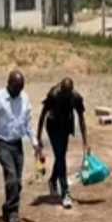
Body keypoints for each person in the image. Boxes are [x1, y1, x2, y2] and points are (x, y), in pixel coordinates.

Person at [0, 70, 42, 222]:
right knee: (11, 176)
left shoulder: (24, 98)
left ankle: (8, 208)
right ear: (9, 84)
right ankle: (13, 214)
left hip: (17, 144)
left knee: (17, 182)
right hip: (2, 143)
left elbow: (28, 122)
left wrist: (35, 143)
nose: (19, 91)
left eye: (21, 88)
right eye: (16, 88)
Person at [37, 77, 89, 209]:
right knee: (60, 157)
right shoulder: (53, 94)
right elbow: (42, 115)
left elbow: (81, 119)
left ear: (71, 92)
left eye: (67, 93)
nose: (65, 94)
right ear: (60, 88)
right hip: (53, 127)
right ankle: (65, 192)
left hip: (65, 127)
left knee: (61, 155)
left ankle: (53, 180)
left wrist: (85, 142)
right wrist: (38, 137)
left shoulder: (76, 97)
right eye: (63, 92)